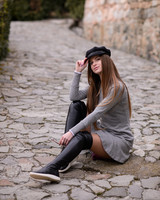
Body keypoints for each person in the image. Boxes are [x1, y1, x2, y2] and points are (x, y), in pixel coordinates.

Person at [30, 46, 134, 183]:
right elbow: (74, 96)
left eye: (98, 59)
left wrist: (71, 132)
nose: (94, 64)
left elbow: (97, 113)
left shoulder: (117, 87)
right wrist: (77, 72)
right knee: (76, 105)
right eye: (91, 62)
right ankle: (65, 157)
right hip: (103, 131)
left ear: (107, 61)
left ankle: (53, 168)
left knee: (81, 137)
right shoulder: (96, 85)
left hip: (119, 140)